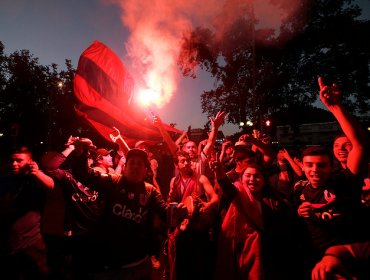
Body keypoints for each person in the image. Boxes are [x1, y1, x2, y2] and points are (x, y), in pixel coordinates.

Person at [72, 144, 171, 280]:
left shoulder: (151, 191)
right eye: (132, 163)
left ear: (145, 170)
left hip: (138, 264)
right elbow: (84, 175)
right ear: (125, 167)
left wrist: (179, 211)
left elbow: (166, 213)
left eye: (140, 164)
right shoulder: (113, 181)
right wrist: (80, 153)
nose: (135, 166)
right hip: (108, 265)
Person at [211, 159, 306, 279]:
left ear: (264, 180)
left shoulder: (275, 199)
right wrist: (219, 172)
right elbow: (227, 186)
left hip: (269, 253)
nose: (252, 179)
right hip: (243, 250)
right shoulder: (238, 192)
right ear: (241, 178)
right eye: (248, 176)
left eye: (256, 176)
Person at [0, 147, 54, 280]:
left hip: (31, 244)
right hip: (8, 244)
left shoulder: (34, 179)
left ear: (30, 162)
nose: (14, 164)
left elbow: (50, 185)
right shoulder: (4, 179)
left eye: (19, 160)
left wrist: (36, 172)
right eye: (12, 160)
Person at [167, 151, 219, 280]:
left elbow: (215, 198)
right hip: (181, 228)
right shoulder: (174, 181)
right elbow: (170, 202)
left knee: (198, 265)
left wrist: (208, 205)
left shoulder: (201, 178)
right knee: (181, 263)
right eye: (182, 161)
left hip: (198, 228)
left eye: (187, 160)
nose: (186, 163)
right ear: (176, 164)